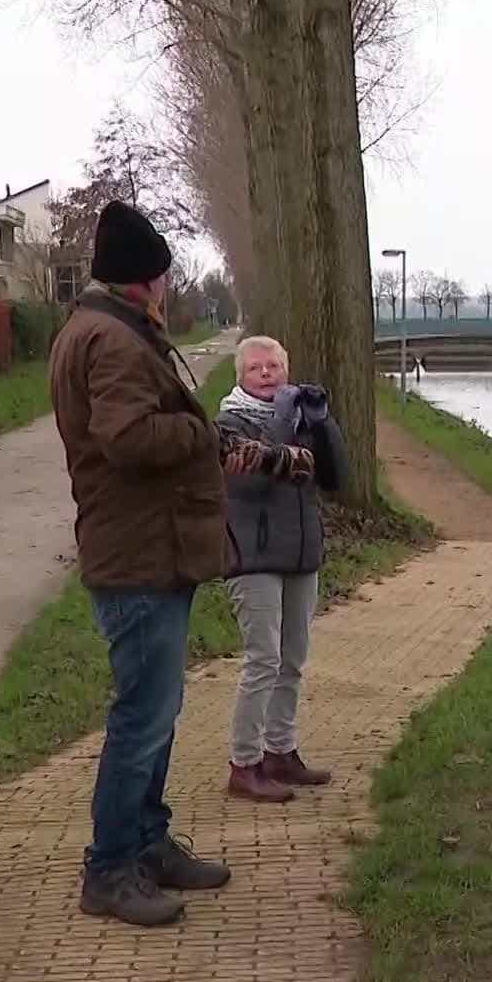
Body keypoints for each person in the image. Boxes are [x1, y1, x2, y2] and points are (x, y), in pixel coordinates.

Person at [48, 200, 271, 927]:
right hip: (137, 555)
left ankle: (146, 843)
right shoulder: (111, 343)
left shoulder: (103, 329)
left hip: (150, 549)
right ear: (147, 281)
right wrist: (197, 431)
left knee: (158, 710)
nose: (170, 284)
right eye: (165, 273)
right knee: (141, 716)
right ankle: (110, 868)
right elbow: (128, 438)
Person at [215, 335, 347, 802]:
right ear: (241, 376)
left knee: (292, 660)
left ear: (287, 370)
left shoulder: (300, 416)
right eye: (256, 368)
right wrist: (280, 424)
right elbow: (245, 485)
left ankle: (281, 752)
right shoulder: (228, 423)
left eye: (274, 366)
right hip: (252, 555)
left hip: (300, 554)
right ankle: (244, 762)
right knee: (263, 659)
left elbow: (334, 476)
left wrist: (321, 420)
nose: (267, 373)